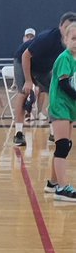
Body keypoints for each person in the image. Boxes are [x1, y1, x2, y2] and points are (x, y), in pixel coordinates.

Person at [13, 12, 76, 147]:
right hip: (24, 60)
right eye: (65, 27)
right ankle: (18, 133)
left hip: (43, 68)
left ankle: (54, 133)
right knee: (23, 92)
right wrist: (28, 81)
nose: (68, 30)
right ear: (60, 26)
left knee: (56, 93)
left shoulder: (72, 43)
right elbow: (26, 56)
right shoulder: (47, 38)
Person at [43, 22, 76, 201]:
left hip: (70, 106)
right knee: (62, 145)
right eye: (73, 38)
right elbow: (64, 84)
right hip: (60, 105)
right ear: (65, 40)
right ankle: (62, 189)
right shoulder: (65, 58)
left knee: (65, 145)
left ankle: (53, 183)